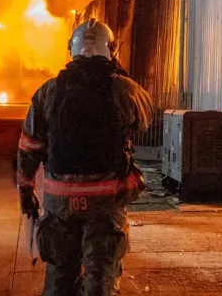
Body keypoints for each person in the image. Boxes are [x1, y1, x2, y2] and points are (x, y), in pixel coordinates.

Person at [16, 18, 154, 296]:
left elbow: (29, 147)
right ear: (111, 49)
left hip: (59, 201)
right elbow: (145, 120)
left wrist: (25, 190)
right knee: (100, 278)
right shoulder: (125, 89)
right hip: (104, 202)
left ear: (71, 49)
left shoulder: (49, 91)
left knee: (59, 277)